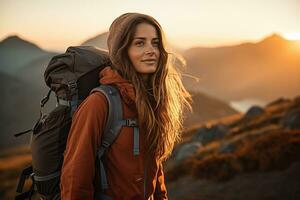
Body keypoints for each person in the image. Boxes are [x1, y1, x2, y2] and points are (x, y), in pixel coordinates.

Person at [60, 12, 191, 200]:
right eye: (140, 43)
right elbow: (75, 179)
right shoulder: (99, 103)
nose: (151, 50)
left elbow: (154, 171)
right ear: (122, 50)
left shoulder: (151, 100)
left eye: (155, 43)